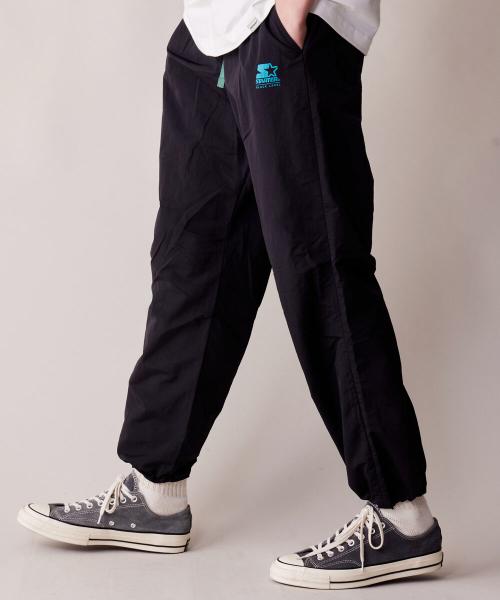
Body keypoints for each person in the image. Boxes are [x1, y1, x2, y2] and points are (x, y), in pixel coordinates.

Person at [17, 0, 443, 590]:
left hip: (282, 28)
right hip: (209, 33)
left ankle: (402, 518)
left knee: (321, 268)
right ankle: (156, 491)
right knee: (190, 267)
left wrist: (290, 17)